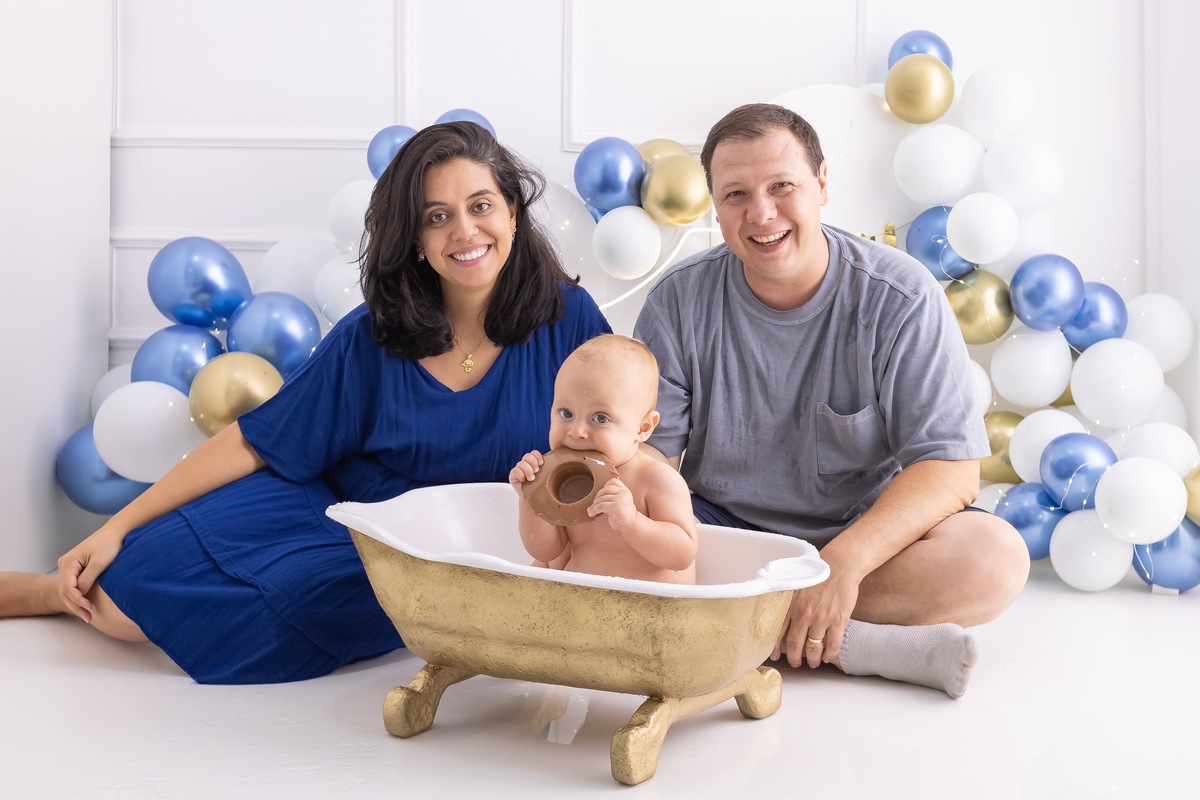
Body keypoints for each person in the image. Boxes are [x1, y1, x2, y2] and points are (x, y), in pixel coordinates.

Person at [0, 121, 611, 684]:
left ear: (511, 211)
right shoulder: (373, 333)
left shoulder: (569, 319)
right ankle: (50, 593)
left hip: (448, 554)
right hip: (343, 515)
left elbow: (621, 439)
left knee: (238, 612)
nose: (465, 232)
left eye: (480, 206)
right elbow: (256, 438)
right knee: (127, 579)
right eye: (437, 216)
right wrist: (116, 525)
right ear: (415, 238)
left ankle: (69, 596)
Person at [632, 103, 1031, 699]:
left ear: (821, 184)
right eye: (737, 194)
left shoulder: (902, 296)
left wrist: (841, 566)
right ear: (715, 206)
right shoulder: (676, 302)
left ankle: (741, 632)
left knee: (994, 558)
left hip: (867, 545)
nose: (761, 213)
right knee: (614, 541)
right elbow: (650, 463)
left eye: (782, 186)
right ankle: (858, 646)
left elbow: (950, 472)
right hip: (724, 539)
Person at [509, 334, 697, 584]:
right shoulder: (562, 480)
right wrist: (530, 500)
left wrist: (632, 522)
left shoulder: (656, 479)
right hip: (577, 598)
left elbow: (682, 556)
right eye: (566, 413)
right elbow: (546, 551)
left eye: (600, 418)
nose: (576, 431)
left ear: (643, 428)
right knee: (538, 569)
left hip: (647, 602)